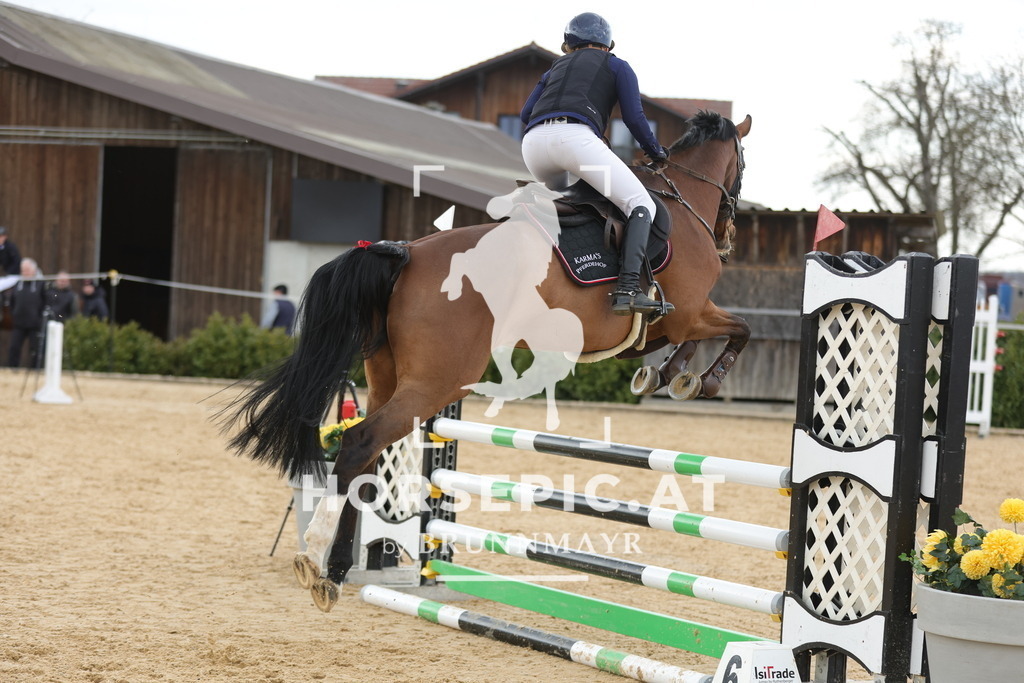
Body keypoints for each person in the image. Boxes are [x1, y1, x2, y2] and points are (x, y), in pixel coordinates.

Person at [520, 12, 672, 317]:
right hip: (575, 141)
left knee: (584, 200)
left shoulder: (555, 68)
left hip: (534, 147)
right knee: (640, 203)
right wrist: (656, 151)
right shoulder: (617, 65)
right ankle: (628, 289)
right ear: (607, 44)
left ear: (569, 46)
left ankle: (579, 262)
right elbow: (634, 118)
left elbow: (525, 113)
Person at [8, 258, 46, 368]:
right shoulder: (18, 284)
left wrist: (39, 318)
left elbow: (45, 302)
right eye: (23, 270)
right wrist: (14, 314)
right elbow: (12, 301)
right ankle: (13, 369)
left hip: (35, 324)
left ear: (34, 270)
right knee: (14, 347)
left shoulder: (40, 284)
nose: (25, 273)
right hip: (19, 323)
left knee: (35, 349)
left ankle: (35, 370)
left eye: (27, 270)